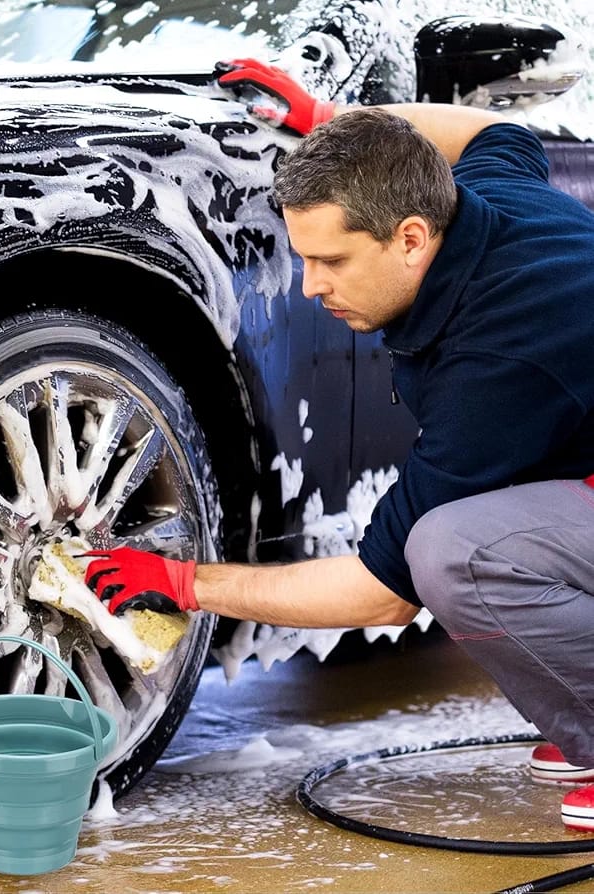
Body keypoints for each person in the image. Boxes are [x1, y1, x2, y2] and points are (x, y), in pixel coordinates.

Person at [84, 57, 594, 831]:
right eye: (302, 257)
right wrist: (330, 119)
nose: (310, 287)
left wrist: (185, 583)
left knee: (453, 551)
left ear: (412, 237)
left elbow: (381, 589)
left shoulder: (497, 361)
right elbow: (498, 130)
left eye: (331, 261)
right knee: (471, 523)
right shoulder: (484, 194)